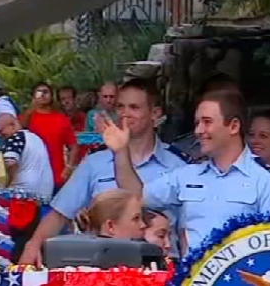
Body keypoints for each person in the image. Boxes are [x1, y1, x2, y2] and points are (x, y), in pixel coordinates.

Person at [19, 79, 187, 266]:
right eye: (120, 107)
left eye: (134, 107)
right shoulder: (94, 163)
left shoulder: (179, 167)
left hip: (161, 273)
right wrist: (34, 244)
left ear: (155, 113)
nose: (125, 114)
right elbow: (60, 214)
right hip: (103, 276)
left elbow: (186, 231)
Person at [102, 90, 270, 253]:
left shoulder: (267, 180)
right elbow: (136, 195)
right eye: (197, 123)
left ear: (233, 126)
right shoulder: (186, 175)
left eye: (207, 122)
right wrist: (120, 151)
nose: (199, 131)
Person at [170, 73, 242, 162]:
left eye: (207, 121)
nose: (199, 130)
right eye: (212, 96)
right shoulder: (179, 149)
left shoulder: (254, 146)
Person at [23, 81, 79, 188]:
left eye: (46, 92)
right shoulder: (28, 117)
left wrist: (68, 168)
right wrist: (32, 107)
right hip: (32, 177)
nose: (43, 95)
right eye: (39, 92)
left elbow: (73, 146)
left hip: (57, 175)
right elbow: (19, 129)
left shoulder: (61, 118)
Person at [0, 113, 54, 199]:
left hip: (24, 192)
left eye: (0, 131)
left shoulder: (15, 138)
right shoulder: (35, 137)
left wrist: (10, 184)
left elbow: (10, 162)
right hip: (45, 191)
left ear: (12, 125)